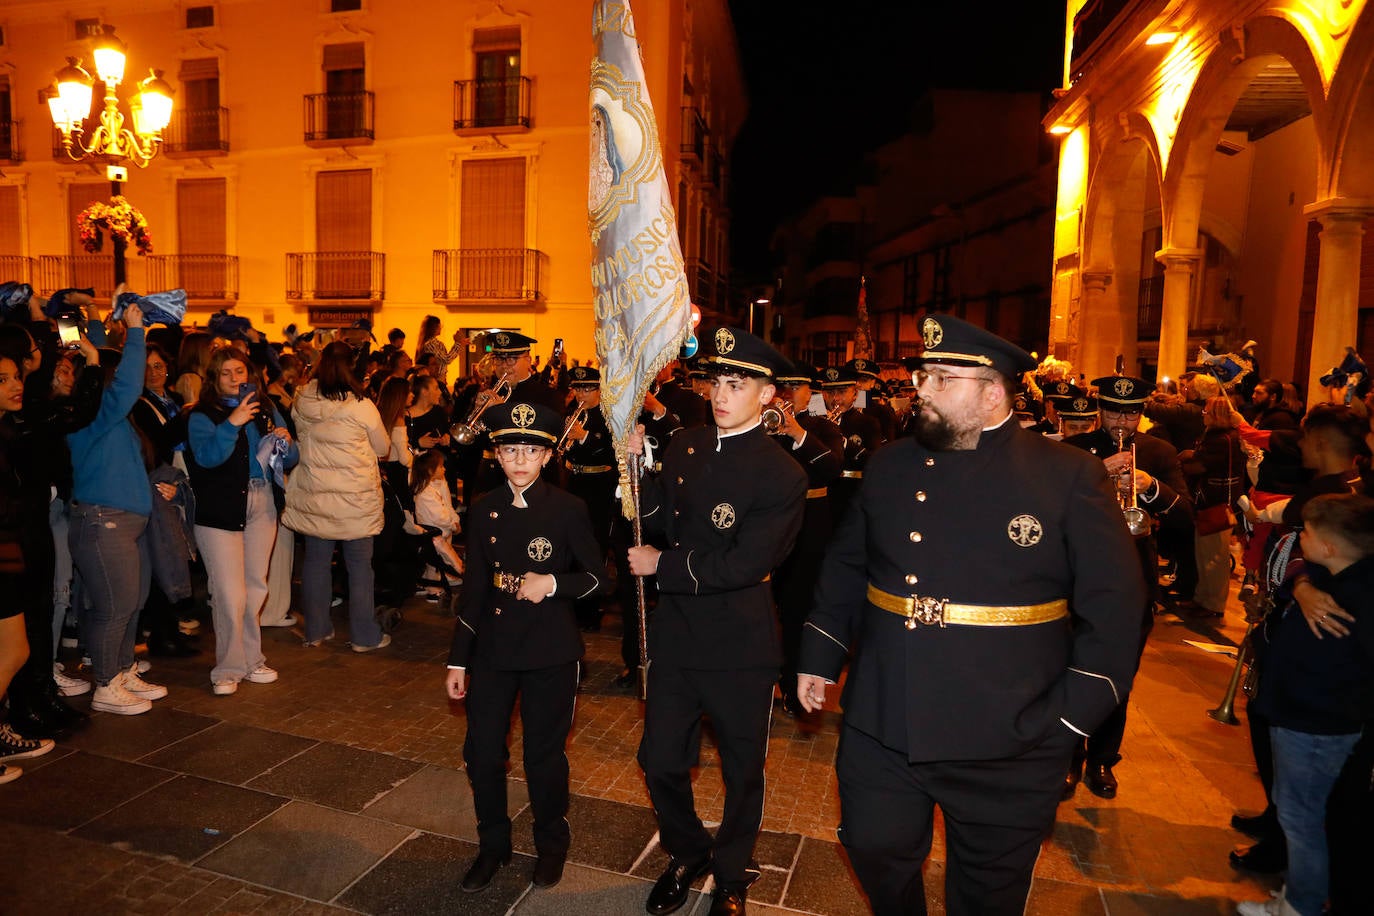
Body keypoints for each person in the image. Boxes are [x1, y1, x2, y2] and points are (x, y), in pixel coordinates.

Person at [798, 315, 1143, 916]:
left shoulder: (1066, 476)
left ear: (992, 392)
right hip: (886, 716)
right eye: (920, 375)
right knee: (873, 846)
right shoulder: (891, 465)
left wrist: (1067, 723)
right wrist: (820, 653)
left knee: (988, 894)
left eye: (940, 377)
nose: (921, 390)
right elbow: (848, 567)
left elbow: (1115, 611)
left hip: (1009, 734)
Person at [628, 327, 807, 916]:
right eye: (715, 382)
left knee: (742, 771)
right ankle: (688, 851)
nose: (721, 395)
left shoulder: (783, 474)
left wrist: (664, 566)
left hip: (739, 641)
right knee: (658, 760)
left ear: (768, 393)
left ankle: (732, 873)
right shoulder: (687, 445)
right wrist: (637, 479)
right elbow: (660, 521)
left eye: (737, 384)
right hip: (679, 636)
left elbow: (745, 562)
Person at [445, 400, 609, 893]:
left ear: (547, 455)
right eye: (510, 449)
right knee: (482, 753)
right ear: (496, 453)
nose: (520, 459)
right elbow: (474, 587)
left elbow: (602, 579)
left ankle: (551, 844)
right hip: (494, 648)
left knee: (543, 755)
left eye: (531, 450)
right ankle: (493, 846)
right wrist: (458, 658)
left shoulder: (568, 508)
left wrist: (554, 584)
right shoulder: (482, 508)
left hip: (550, 651)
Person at [1235, 494, 1374, 916]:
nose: (1300, 539)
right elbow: (1300, 566)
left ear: (1330, 545)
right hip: (1299, 716)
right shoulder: (1331, 572)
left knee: (1301, 820)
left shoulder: (1357, 599)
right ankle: (1295, 895)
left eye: (1308, 533)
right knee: (1295, 808)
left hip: (1315, 724)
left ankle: (1300, 906)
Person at [1061, 374, 1192, 801]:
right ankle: (1065, 755)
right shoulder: (1077, 451)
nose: (1122, 420)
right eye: (1114, 411)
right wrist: (1097, 474)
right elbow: (1047, 500)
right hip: (1077, 575)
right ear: (1100, 409)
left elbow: (1185, 515)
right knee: (1066, 664)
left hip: (1133, 576)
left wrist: (1149, 486)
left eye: (1131, 412)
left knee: (1119, 672)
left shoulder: (1158, 452)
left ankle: (1102, 758)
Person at [67, 303, 169, 715]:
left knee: (132, 600)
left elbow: (102, 356)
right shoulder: (92, 416)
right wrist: (136, 332)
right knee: (114, 605)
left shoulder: (109, 418)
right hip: (103, 521)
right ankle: (106, 684)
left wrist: (94, 321)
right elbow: (126, 383)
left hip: (125, 523)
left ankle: (122, 670)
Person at [186, 349, 297, 696]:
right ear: (214, 378)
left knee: (255, 587)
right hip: (220, 509)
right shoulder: (202, 415)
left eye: (240, 371)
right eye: (226, 373)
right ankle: (228, 666)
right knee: (230, 593)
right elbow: (206, 458)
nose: (235, 379)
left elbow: (290, 459)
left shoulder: (265, 408)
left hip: (262, 500)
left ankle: (252, 659)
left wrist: (287, 442)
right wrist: (232, 423)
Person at [281, 341, 392, 652]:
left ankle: (316, 631)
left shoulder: (302, 399)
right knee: (359, 566)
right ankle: (364, 636)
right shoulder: (360, 405)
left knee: (316, 562)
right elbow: (383, 448)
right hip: (354, 497)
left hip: (315, 492)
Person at [769, 363, 843, 717]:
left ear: (808, 391)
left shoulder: (823, 427)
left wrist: (795, 431)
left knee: (798, 610)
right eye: (781, 386)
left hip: (810, 527)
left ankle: (790, 684)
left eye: (794, 387)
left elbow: (832, 470)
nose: (786, 393)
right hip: (771, 524)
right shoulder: (762, 426)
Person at [0, 353, 56, 780]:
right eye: (3, 380)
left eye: (17, 376)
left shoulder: (8, 428)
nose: (16, 385)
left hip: (10, 549)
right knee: (15, 650)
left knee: (14, 649)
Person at [559, 366, 617, 631]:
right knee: (569, 543)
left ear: (599, 390)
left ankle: (591, 608)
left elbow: (610, 449)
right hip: (574, 481)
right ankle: (570, 603)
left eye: (587, 388)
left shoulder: (609, 414)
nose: (580, 393)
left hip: (598, 485)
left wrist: (583, 437)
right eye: (577, 388)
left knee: (593, 546)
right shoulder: (572, 411)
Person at [817, 364, 884, 524]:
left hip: (852, 493)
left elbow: (875, 462)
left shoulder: (868, 422)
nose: (836, 398)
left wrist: (845, 443)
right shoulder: (816, 421)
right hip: (823, 495)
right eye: (830, 393)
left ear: (854, 393)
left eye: (842, 392)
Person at [411, 450, 464, 598]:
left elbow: (446, 505)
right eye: (440, 467)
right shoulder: (426, 493)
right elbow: (440, 516)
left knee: (433, 563)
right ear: (430, 471)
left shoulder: (433, 486)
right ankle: (433, 590)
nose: (444, 469)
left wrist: (455, 521)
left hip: (438, 532)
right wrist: (453, 524)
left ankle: (428, 582)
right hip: (433, 534)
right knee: (441, 561)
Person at [415, 315, 465, 388]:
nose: (440, 328)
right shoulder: (430, 344)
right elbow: (447, 359)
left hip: (440, 377)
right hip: (437, 377)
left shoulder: (436, 343)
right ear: (433, 327)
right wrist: (457, 343)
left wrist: (459, 344)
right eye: (439, 326)